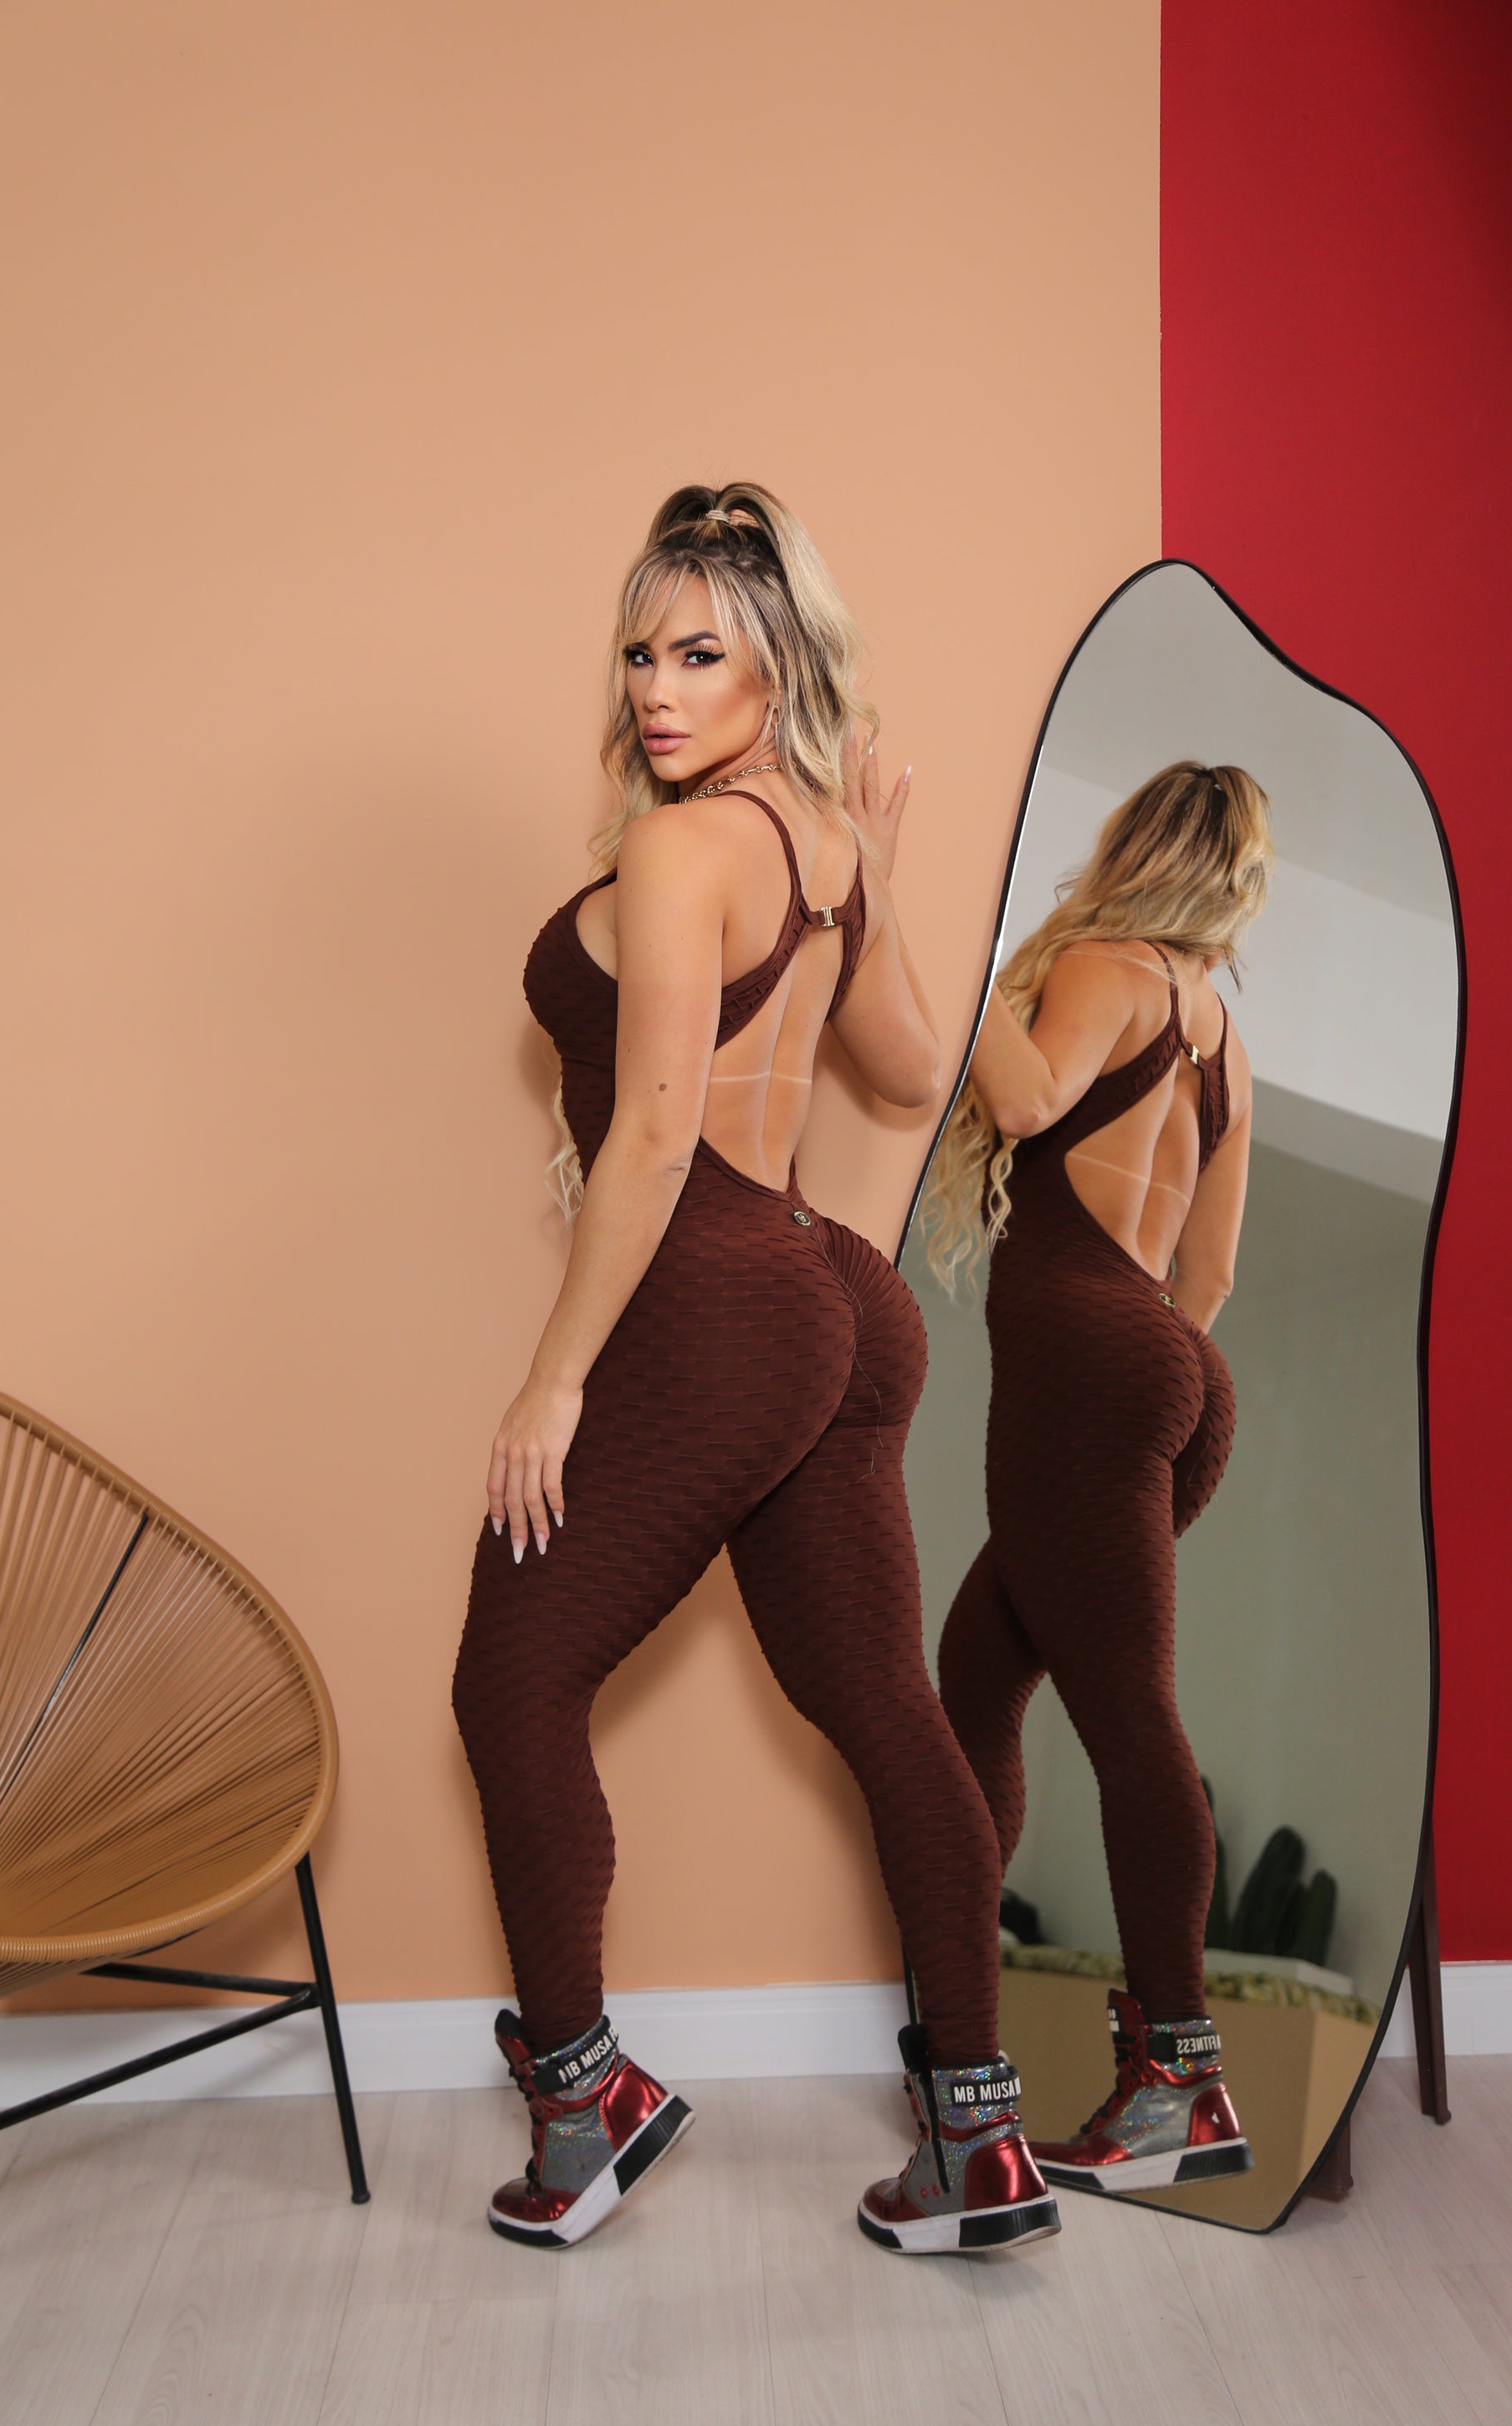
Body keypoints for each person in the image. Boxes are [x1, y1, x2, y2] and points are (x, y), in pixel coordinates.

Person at [452, 483, 1058, 2254]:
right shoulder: (818, 845)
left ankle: (585, 2103)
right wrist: (874, 879)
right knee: (884, 1710)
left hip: (712, 1295)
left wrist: (555, 1376)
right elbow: (911, 1073)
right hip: (832, 1296)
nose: (655, 689)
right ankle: (978, 2139)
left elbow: (653, 1135)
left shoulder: (680, 848)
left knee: (510, 1685)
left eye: (698, 653)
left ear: (775, 666)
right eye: (639, 653)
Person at [922, 760, 1272, 2193]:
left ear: (1135, 846)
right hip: (1168, 1363)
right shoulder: (1224, 1041)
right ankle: (960, 2033)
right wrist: (1145, 1374)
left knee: (1128, 1717)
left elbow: (1024, 1103)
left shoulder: (1105, 969)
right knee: (976, 1676)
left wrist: (960, 967)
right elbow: (1211, 1273)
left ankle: (1177, 2079)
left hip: (1084, 1367)